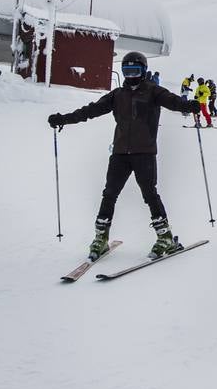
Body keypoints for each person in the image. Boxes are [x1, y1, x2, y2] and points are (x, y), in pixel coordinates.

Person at [48, 51, 202, 261]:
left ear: (143, 70)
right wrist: (64, 119)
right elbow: (90, 111)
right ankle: (101, 238)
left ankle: (164, 237)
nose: (130, 76)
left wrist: (188, 105)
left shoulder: (153, 91)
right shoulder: (117, 95)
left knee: (149, 194)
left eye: (135, 71)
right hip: (120, 153)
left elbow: (173, 101)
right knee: (109, 193)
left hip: (144, 153)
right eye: (127, 71)